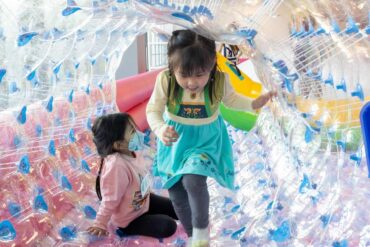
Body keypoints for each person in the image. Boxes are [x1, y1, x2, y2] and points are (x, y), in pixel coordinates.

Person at [146, 29, 275, 247]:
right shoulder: (165, 80)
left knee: (193, 180)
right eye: (184, 75)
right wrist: (160, 129)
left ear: (212, 64)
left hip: (205, 140)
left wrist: (254, 103)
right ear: (172, 66)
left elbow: (233, 100)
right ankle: (192, 236)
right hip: (176, 141)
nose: (192, 83)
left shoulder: (219, 80)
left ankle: (201, 235)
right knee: (176, 193)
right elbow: (153, 110)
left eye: (199, 74)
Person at [86, 113, 178, 239]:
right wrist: (100, 223)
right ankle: (126, 231)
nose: (138, 133)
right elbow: (109, 199)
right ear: (118, 145)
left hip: (143, 201)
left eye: (134, 128)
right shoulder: (116, 167)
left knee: (180, 207)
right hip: (129, 219)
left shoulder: (132, 150)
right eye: (132, 131)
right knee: (168, 225)